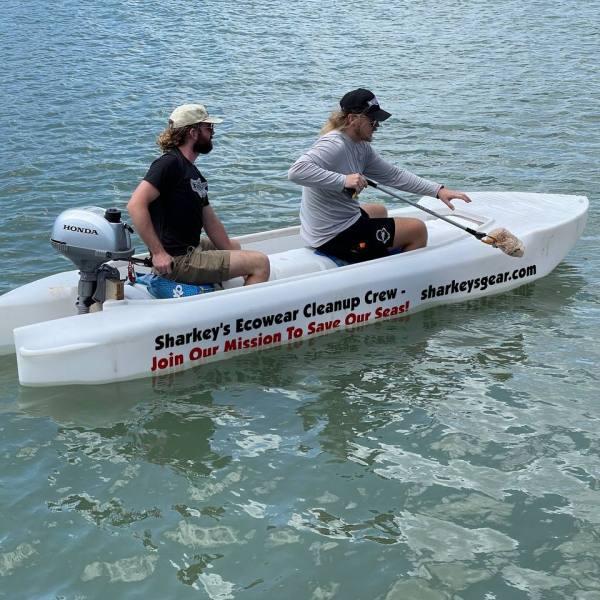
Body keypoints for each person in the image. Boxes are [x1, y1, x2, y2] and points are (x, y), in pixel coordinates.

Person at [288, 88, 471, 263]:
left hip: (327, 226)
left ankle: (377, 255)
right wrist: (343, 180)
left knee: (378, 210)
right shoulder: (334, 144)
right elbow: (297, 171)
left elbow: (393, 175)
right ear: (353, 119)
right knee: (417, 230)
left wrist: (438, 191)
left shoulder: (360, 145)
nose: (377, 126)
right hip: (333, 235)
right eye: (372, 120)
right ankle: (396, 287)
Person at [128, 103, 269, 286]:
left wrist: (234, 254)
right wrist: (158, 253)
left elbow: (210, 221)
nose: (213, 133)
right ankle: (247, 312)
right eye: (208, 127)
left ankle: (231, 291)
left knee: (233, 246)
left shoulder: (193, 174)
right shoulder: (169, 164)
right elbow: (135, 205)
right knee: (261, 264)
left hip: (191, 247)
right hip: (178, 260)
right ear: (192, 133)